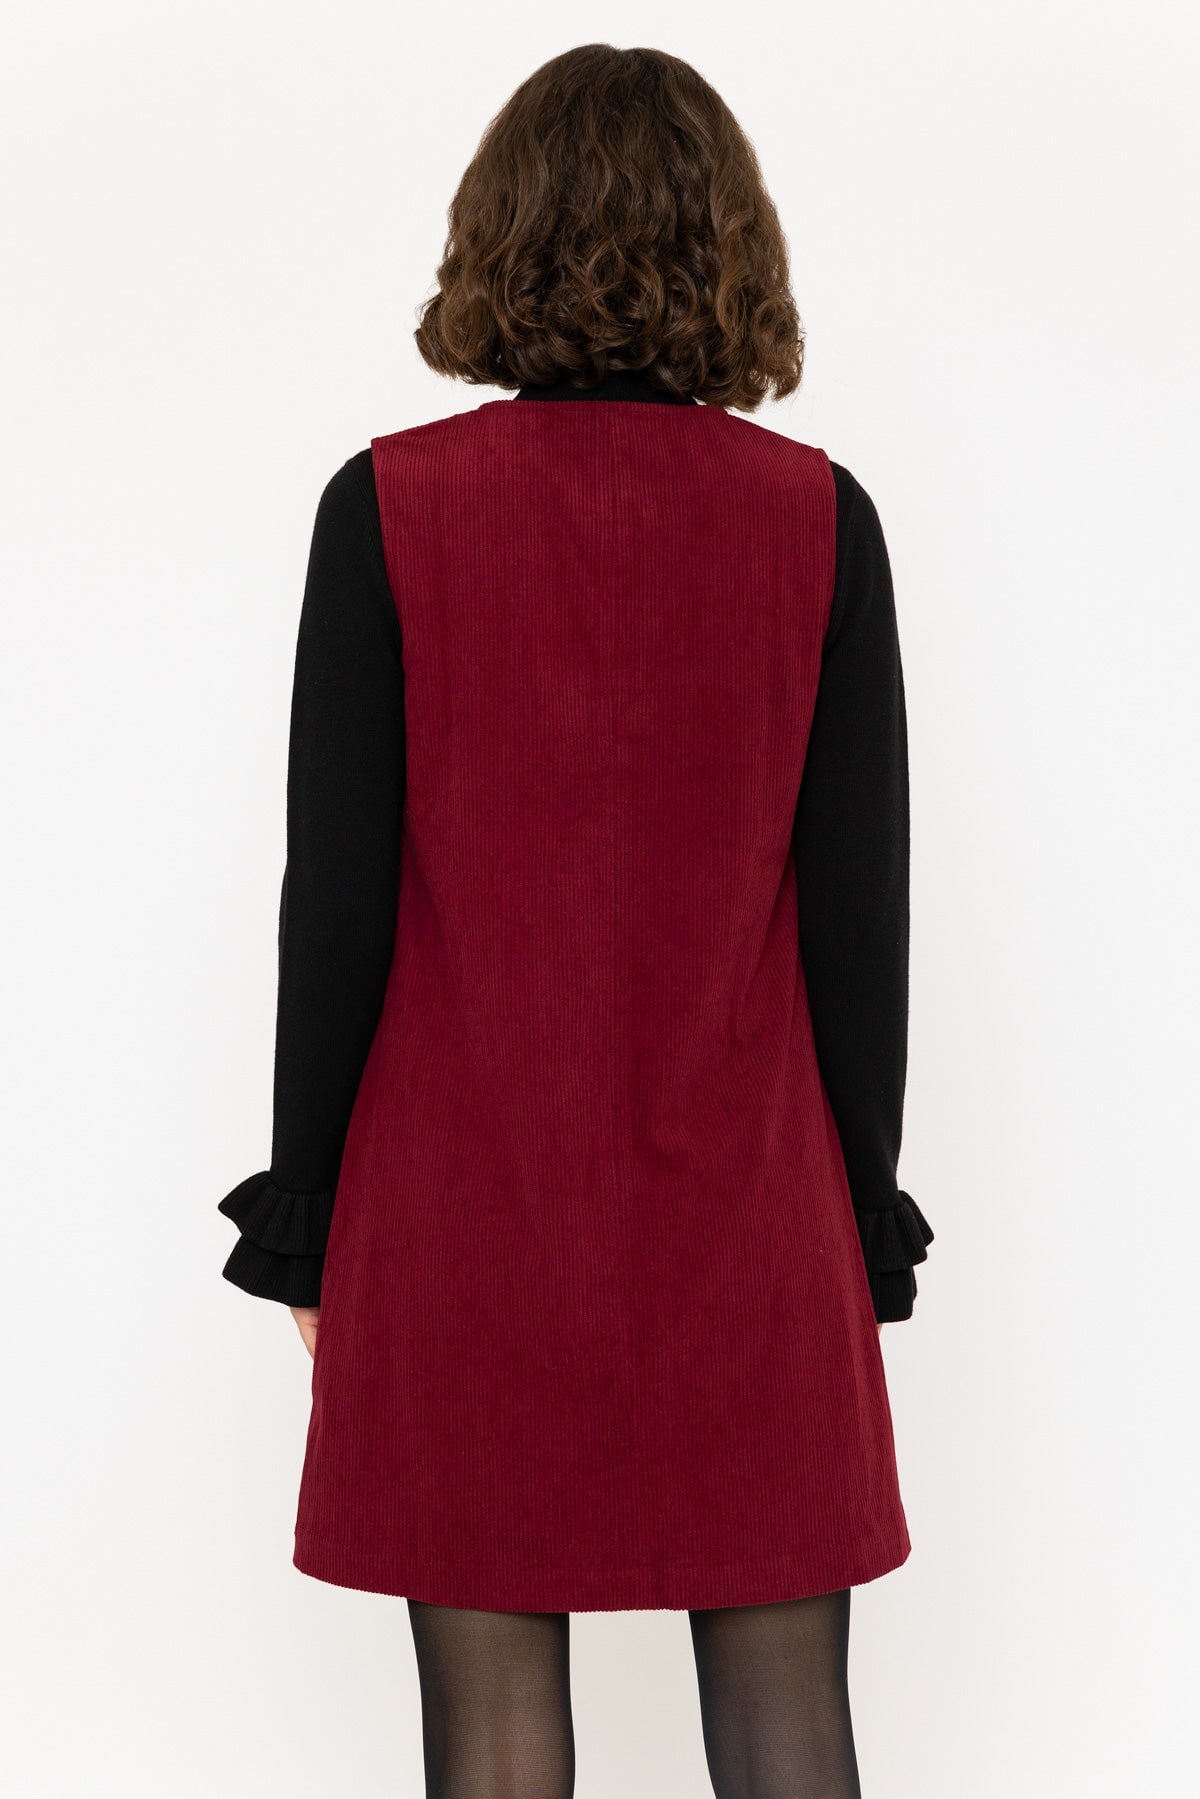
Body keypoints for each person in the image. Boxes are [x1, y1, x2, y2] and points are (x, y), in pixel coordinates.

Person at [216, 42, 934, 1799]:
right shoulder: (817, 521)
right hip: (748, 1221)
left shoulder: (388, 508)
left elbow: (337, 904)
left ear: (501, 238)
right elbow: (857, 921)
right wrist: (860, 1224)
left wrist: (310, 1217)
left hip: (462, 1214)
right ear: (731, 247)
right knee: (788, 1729)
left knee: (491, 1745)